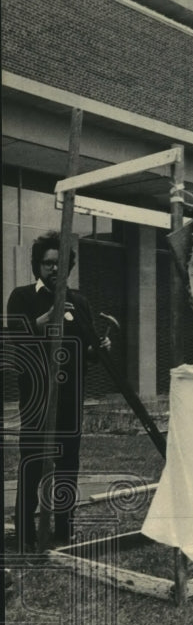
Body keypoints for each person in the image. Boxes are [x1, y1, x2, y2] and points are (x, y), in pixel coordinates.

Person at [6, 232, 111, 551]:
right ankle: (25, 534)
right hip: (38, 396)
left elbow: (87, 350)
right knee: (34, 461)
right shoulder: (22, 297)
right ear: (37, 265)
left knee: (68, 462)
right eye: (48, 263)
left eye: (60, 263)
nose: (54, 268)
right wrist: (49, 316)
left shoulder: (79, 301)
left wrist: (100, 347)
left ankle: (64, 532)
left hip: (70, 396)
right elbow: (18, 340)